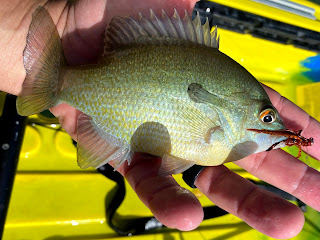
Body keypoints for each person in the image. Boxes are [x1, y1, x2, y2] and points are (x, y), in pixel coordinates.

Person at [1, 0, 319, 238]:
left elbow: (181, 156)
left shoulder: (235, 135)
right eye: (266, 117)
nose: (273, 129)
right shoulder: (224, 139)